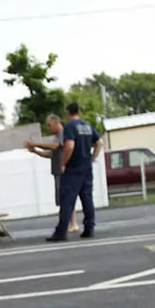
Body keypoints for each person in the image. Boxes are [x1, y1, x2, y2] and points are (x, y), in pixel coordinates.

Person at [48, 102, 102, 242]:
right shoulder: (87, 126)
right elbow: (99, 143)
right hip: (86, 167)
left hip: (73, 168)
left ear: (67, 112)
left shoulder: (70, 126)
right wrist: (92, 158)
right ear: (79, 111)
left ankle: (61, 231)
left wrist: (63, 163)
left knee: (67, 200)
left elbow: (70, 146)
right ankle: (89, 228)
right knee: (87, 198)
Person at [26, 114, 79, 235]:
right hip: (57, 171)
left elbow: (54, 147)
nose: (49, 128)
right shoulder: (57, 137)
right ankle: (68, 223)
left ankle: (72, 223)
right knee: (62, 199)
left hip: (63, 171)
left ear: (56, 122)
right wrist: (35, 151)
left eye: (49, 125)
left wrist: (35, 144)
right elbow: (50, 154)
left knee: (66, 198)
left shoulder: (62, 133)